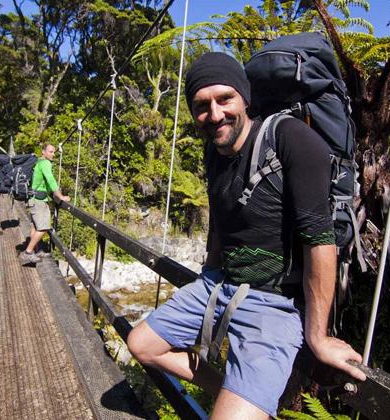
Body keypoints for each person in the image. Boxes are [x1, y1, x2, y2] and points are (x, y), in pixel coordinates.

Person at [126, 52, 366, 419]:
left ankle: (243, 401)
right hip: (220, 285)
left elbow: (320, 241)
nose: (215, 113)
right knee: (141, 343)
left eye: (225, 99)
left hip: (276, 303)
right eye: (202, 106)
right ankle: (235, 393)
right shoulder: (214, 151)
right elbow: (222, 220)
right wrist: (208, 273)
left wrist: (316, 338)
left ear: (245, 98)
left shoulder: (289, 137)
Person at [19, 143, 70, 265]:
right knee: (44, 227)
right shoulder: (45, 163)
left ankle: (37, 250)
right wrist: (60, 196)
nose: (53, 154)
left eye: (54, 152)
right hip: (39, 200)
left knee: (35, 227)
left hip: (33, 198)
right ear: (43, 152)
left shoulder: (38, 162)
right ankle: (28, 253)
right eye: (50, 152)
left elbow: (44, 182)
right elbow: (51, 180)